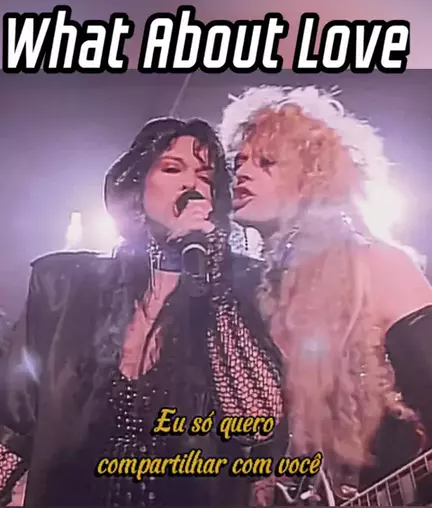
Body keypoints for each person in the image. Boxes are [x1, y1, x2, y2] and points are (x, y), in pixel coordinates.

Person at [0, 117, 283, 507]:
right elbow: (13, 425)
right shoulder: (63, 285)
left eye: (205, 177)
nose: (191, 184)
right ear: (137, 182)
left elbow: (255, 422)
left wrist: (214, 279)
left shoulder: (245, 288)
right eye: (172, 169)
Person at [220, 85, 432, 503]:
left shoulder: (377, 265)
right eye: (238, 161)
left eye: (266, 162)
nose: (242, 173)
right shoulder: (254, 297)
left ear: (313, 178)